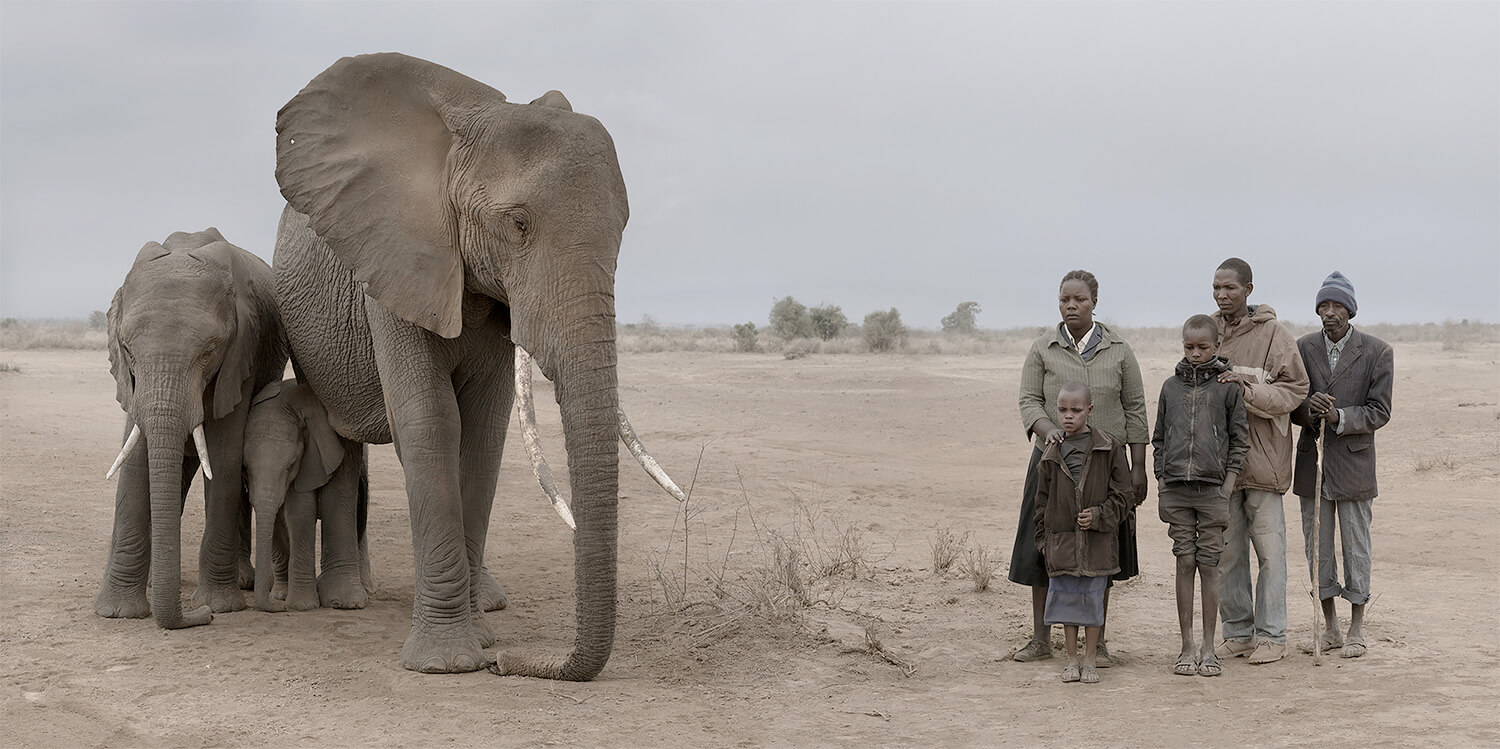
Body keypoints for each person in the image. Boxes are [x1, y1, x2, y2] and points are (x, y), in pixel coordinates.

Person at [1010, 270, 1149, 667]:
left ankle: (1097, 642)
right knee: (1046, 544)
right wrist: (1050, 430)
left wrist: (1137, 467)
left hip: (1107, 467)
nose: (1071, 306)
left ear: (1094, 303)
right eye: (1064, 299)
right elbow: (1028, 401)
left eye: (1080, 300)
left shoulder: (1119, 350)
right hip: (1051, 464)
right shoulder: (1043, 348)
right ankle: (1041, 638)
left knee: (1101, 548)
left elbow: (1136, 409)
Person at [1210, 257, 1309, 665]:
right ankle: (1237, 633)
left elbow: (1295, 389)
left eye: (1229, 287)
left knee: (1270, 555)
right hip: (1221, 466)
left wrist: (1247, 389)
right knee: (1228, 554)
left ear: (1248, 289)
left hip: (1265, 462)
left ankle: (1272, 636)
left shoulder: (1274, 334)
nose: (1221, 295)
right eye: (1216, 287)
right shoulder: (1208, 331)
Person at [1290, 272, 1392, 659]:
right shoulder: (1302, 348)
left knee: (1357, 548)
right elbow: (1293, 404)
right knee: (1318, 548)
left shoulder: (1377, 351)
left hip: (1354, 466)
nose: (1329, 313)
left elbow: (1379, 411)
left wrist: (1339, 418)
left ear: (1350, 310)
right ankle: (1329, 627)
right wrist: (1308, 410)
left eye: (1337, 306)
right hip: (1312, 465)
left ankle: (1356, 628)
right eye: (1323, 306)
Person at [1153, 315, 1250, 677]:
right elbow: (1159, 438)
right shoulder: (1169, 388)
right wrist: (1162, 481)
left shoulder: (1227, 388)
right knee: (1183, 561)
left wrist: (1227, 485)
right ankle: (1186, 645)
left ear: (1216, 347)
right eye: (1189, 347)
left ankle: (1210, 648)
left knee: (1209, 565)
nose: (1195, 354)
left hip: (1212, 492)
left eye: (1203, 347)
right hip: (1176, 490)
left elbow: (1240, 440)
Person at [1032, 382, 1131, 684]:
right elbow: (1041, 502)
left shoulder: (1108, 447)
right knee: (1065, 601)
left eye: (1076, 410)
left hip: (1097, 542)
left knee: (1091, 599)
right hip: (1061, 543)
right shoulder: (1051, 450)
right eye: (1062, 410)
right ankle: (1071, 659)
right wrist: (1043, 542)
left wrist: (1099, 515)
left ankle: (1091, 658)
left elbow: (1124, 495)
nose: (1068, 416)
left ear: (1089, 410)